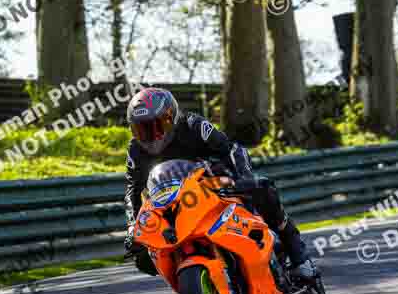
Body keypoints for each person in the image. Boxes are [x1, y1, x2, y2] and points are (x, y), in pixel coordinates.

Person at [122, 87, 318, 280]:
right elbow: (133, 190)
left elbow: (232, 150)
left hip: (213, 187)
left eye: (157, 126)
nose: (150, 136)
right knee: (143, 257)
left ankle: (298, 255)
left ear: (172, 117)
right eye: (141, 129)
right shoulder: (135, 151)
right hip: (172, 204)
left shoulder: (193, 126)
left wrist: (243, 177)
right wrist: (133, 228)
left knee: (263, 189)